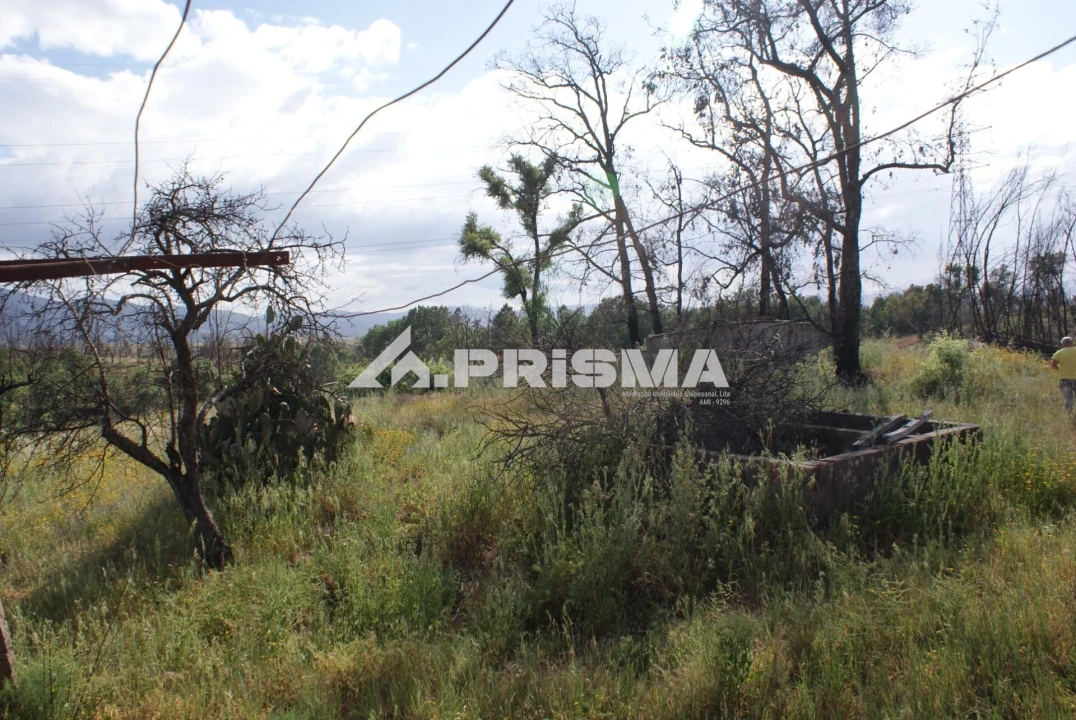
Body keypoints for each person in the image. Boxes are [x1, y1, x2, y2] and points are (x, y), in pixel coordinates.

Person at [1051, 337, 1076, 414]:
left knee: (1068, 399)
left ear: (1062, 344)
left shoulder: (1058, 353)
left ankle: (1070, 415)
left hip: (1065, 379)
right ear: (1072, 343)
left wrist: (1060, 370)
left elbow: (1053, 366)